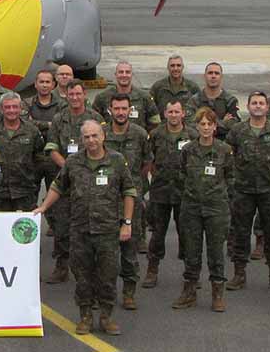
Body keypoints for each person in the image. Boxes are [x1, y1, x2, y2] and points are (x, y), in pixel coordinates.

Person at [33, 121, 135, 336]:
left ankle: (106, 316)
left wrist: (127, 223)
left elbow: (129, 191)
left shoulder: (116, 161)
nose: (91, 140)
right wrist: (43, 206)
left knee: (108, 276)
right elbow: (58, 186)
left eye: (95, 136)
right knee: (82, 276)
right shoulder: (73, 161)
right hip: (80, 229)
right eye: (87, 137)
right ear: (82, 139)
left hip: (108, 230)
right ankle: (86, 316)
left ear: (103, 136)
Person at [172, 107, 234, 312]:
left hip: (216, 208)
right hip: (191, 208)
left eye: (209, 124)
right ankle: (189, 292)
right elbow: (181, 175)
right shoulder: (188, 150)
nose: (206, 127)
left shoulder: (224, 150)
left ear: (215, 126)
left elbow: (231, 177)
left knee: (216, 252)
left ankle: (218, 294)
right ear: (196, 126)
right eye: (202, 124)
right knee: (191, 252)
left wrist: (220, 196)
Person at [225, 91, 270, 292]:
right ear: (248, 107)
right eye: (254, 103)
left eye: (261, 103)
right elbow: (227, 155)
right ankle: (239, 274)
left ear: (267, 107)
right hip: (243, 189)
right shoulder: (237, 130)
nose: (258, 106)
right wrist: (233, 179)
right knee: (240, 232)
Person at [43, 80, 103, 284]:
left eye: (78, 94)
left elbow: (103, 149)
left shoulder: (95, 118)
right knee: (61, 225)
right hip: (66, 180)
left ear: (85, 94)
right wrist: (69, 168)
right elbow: (51, 148)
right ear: (66, 96)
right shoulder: (59, 119)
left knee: (89, 227)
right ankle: (62, 266)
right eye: (71, 94)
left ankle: (89, 269)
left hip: (91, 184)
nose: (75, 98)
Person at [101, 93, 151, 308]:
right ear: (110, 110)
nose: (121, 113)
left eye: (124, 109)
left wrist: (136, 187)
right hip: (105, 202)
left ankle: (129, 292)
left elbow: (147, 163)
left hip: (131, 201)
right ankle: (106, 293)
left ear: (130, 110)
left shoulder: (140, 134)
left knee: (130, 251)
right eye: (117, 108)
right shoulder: (101, 134)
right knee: (105, 253)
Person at [143, 99, 198, 288]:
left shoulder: (192, 134)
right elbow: (148, 159)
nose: (174, 115)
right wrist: (153, 176)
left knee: (187, 234)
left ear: (183, 114)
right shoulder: (156, 134)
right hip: (160, 192)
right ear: (165, 114)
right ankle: (152, 270)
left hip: (184, 192)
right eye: (170, 112)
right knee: (158, 232)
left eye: (177, 112)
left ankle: (191, 273)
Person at [0, 92, 45, 212]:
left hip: (25, 190)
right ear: (1, 109)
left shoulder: (32, 131)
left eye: (15, 106)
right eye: (7, 107)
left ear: (20, 108)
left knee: (24, 228)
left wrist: (33, 178)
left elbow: (39, 157)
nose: (11, 110)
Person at [23, 69, 66, 218]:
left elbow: (61, 125)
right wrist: (49, 124)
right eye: (41, 82)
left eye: (48, 82)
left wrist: (38, 124)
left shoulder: (62, 104)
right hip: (33, 157)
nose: (44, 85)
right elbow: (26, 124)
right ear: (35, 84)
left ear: (53, 84)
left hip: (54, 157)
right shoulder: (27, 102)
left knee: (55, 193)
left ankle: (54, 225)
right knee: (29, 194)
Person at [93, 61, 160, 132]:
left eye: (127, 72)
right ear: (115, 74)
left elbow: (155, 122)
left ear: (132, 75)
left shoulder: (145, 97)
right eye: (121, 72)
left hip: (137, 141)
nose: (124, 75)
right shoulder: (102, 97)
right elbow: (93, 121)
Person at [185, 62, 240, 139]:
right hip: (199, 145)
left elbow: (234, 126)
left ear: (221, 77)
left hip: (223, 145)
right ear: (204, 76)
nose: (213, 76)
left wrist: (203, 124)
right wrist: (223, 123)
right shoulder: (194, 101)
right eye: (210, 73)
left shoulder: (230, 101)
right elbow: (190, 126)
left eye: (216, 73)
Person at [149, 55, 200, 119]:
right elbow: (150, 109)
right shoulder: (157, 87)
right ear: (168, 67)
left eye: (178, 65)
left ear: (182, 67)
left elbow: (200, 111)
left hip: (187, 126)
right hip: (163, 126)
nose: (175, 68)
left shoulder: (193, 88)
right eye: (172, 66)